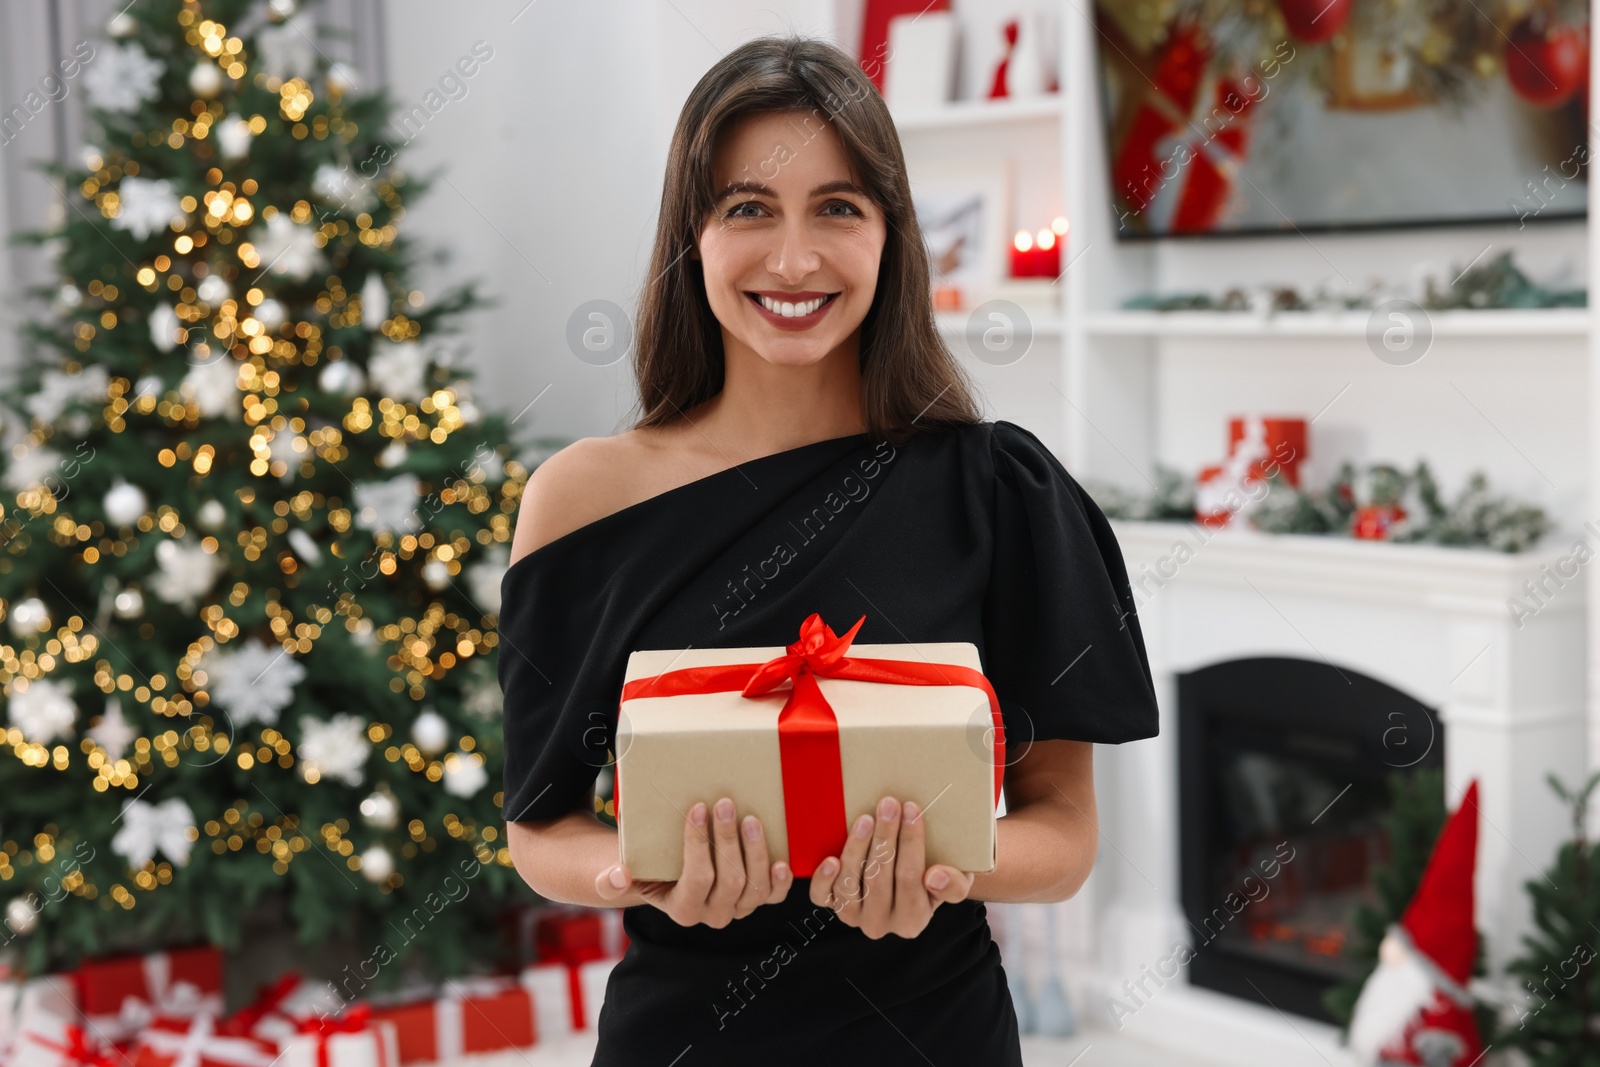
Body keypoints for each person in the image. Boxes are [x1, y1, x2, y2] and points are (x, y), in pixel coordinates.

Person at [500, 35, 1159, 1065]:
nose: (794, 259)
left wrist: (940, 868)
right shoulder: (581, 499)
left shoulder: (996, 490)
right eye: (748, 208)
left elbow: (1063, 832)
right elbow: (540, 827)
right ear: (693, 236)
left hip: (930, 1032)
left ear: (892, 233)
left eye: (838, 207)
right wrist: (637, 871)